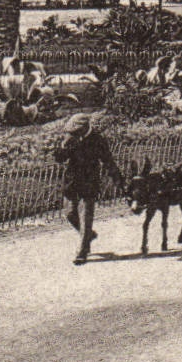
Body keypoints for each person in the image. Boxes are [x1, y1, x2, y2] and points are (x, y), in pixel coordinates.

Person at [53, 113, 123, 265]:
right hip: (72, 181)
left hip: (89, 182)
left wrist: (117, 179)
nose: (72, 134)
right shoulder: (70, 138)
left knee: (85, 216)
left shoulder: (98, 140)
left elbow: (108, 161)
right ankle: (89, 235)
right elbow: (60, 158)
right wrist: (63, 147)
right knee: (70, 214)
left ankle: (83, 250)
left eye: (75, 131)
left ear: (85, 128)